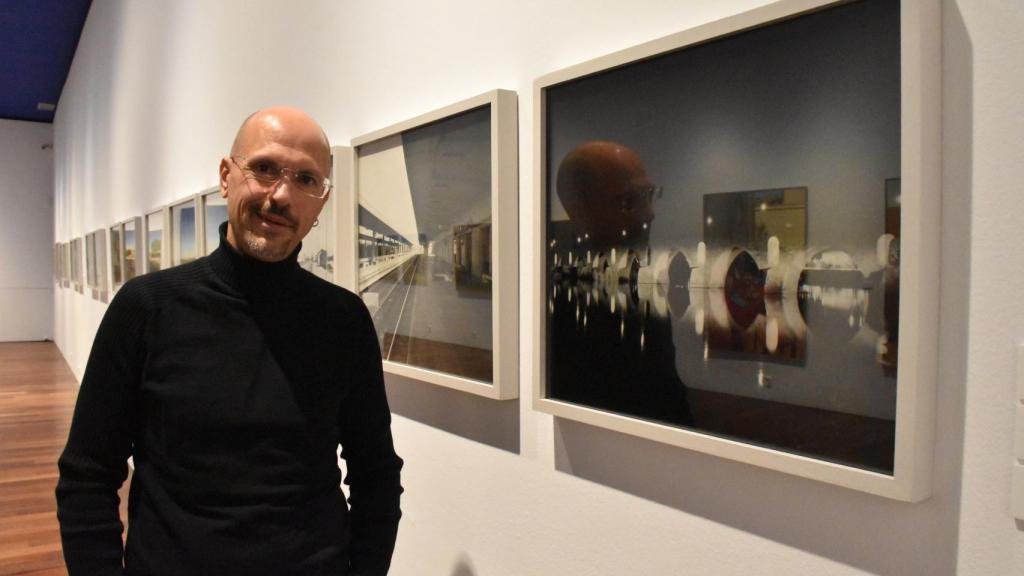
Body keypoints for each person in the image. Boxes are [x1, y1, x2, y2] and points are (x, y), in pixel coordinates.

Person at [56, 107, 403, 576]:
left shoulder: (343, 320)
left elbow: (375, 474)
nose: (281, 195)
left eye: (305, 179)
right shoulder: (146, 308)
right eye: (264, 169)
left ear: (320, 203)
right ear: (226, 176)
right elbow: (88, 475)